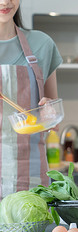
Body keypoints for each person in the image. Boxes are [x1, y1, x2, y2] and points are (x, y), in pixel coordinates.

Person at [0, 0, 62, 198]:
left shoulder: (42, 45)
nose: (5, 1)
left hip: (30, 180)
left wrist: (49, 112)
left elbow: (51, 107)